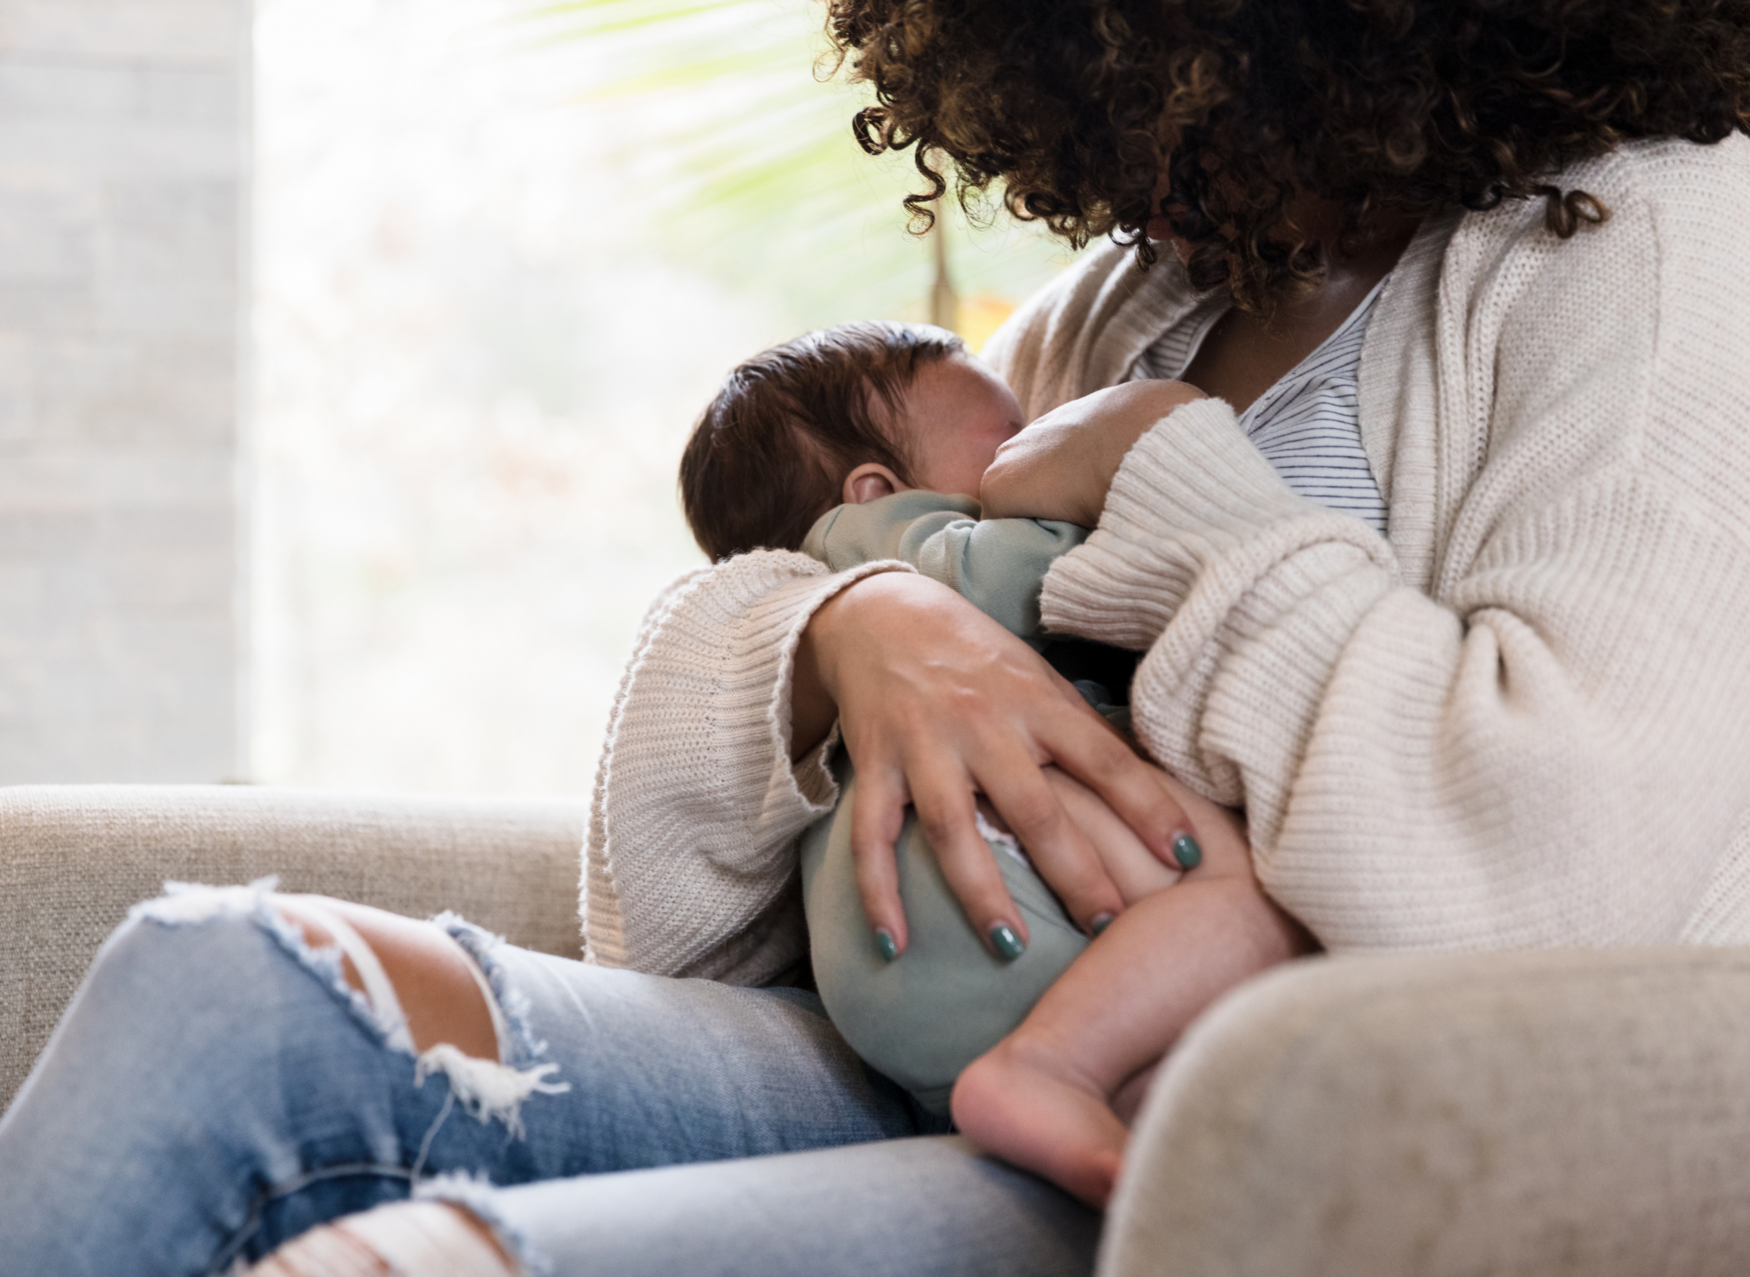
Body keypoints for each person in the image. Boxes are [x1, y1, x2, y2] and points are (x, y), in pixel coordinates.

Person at [4, 2, 1749, 1273]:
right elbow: (669, 915)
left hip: (1249, 1132)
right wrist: (856, 619)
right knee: (221, 990)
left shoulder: (1655, 238)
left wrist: (1166, 480)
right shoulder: (1159, 291)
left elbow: (1547, 883)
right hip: (940, 1053)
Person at [676, 318, 1309, 1203]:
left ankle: (1068, 1097)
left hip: (892, 970)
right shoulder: (896, 547)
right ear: (876, 489)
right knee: (1256, 896)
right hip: (975, 893)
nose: (1034, 449)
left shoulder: (841, 583)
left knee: (1164, 1122)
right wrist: (1122, 464)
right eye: (1011, 441)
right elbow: (1040, 573)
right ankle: (1046, 1067)